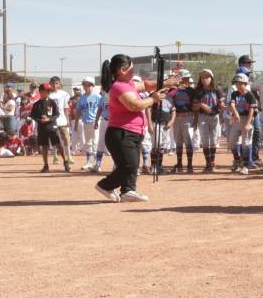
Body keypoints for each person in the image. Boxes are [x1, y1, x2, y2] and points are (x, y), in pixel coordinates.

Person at [95, 55, 172, 202]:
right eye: (131, 67)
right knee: (129, 165)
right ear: (123, 70)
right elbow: (134, 105)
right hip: (121, 133)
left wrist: (166, 83)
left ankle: (128, 190)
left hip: (132, 132)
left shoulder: (128, 83)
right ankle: (105, 185)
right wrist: (153, 99)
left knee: (132, 164)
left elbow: (146, 85)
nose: (133, 70)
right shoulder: (118, 86)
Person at [29, 83, 68, 173]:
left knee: (58, 144)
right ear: (41, 92)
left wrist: (49, 119)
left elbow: (57, 114)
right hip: (42, 127)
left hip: (52, 126)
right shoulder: (36, 104)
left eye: (49, 91)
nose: (48, 93)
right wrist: (40, 120)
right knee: (44, 146)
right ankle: (46, 165)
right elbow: (33, 116)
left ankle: (65, 161)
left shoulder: (52, 102)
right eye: (46, 91)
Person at [167, 71, 198, 173]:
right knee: (178, 142)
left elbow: (195, 105)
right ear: (179, 78)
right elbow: (169, 96)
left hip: (187, 117)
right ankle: (179, 164)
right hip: (176, 118)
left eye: (188, 78)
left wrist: (196, 119)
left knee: (188, 141)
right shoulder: (173, 90)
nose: (187, 80)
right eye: (185, 78)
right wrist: (176, 88)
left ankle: (190, 165)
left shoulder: (191, 91)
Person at [227, 73, 257, 175]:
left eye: (241, 83)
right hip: (237, 120)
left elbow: (252, 111)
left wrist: (248, 124)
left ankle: (244, 166)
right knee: (231, 142)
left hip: (247, 119)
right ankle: (237, 159)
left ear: (245, 84)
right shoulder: (235, 93)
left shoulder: (250, 95)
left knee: (245, 143)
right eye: (237, 83)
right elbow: (232, 104)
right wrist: (235, 113)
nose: (238, 85)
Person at [195, 69, 224, 173]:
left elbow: (221, 104)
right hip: (203, 117)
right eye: (202, 77)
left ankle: (212, 162)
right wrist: (201, 105)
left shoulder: (217, 90)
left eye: (207, 77)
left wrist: (225, 107)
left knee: (213, 141)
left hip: (214, 117)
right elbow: (193, 106)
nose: (205, 79)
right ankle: (208, 164)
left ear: (211, 78)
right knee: (205, 141)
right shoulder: (198, 90)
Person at [75, 77, 103, 171]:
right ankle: (89, 162)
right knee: (88, 143)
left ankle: (97, 164)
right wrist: (75, 124)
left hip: (95, 121)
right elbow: (78, 111)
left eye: (88, 84)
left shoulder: (98, 97)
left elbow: (102, 108)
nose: (86, 86)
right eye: (84, 84)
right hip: (85, 122)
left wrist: (98, 120)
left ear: (93, 86)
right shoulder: (82, 98)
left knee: (95, 142)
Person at [48, 77, 73, 168]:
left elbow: (66, 108)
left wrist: (67, 119)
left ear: (59, 84)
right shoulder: (48, 95)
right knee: (55, 139)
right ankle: (55, 156)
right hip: (53, 120)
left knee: (66, 138)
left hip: (62, 119)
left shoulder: (64, 94)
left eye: (56, 83)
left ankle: (69, 156)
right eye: (53, 83)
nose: (54, 85)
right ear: (50, 83)